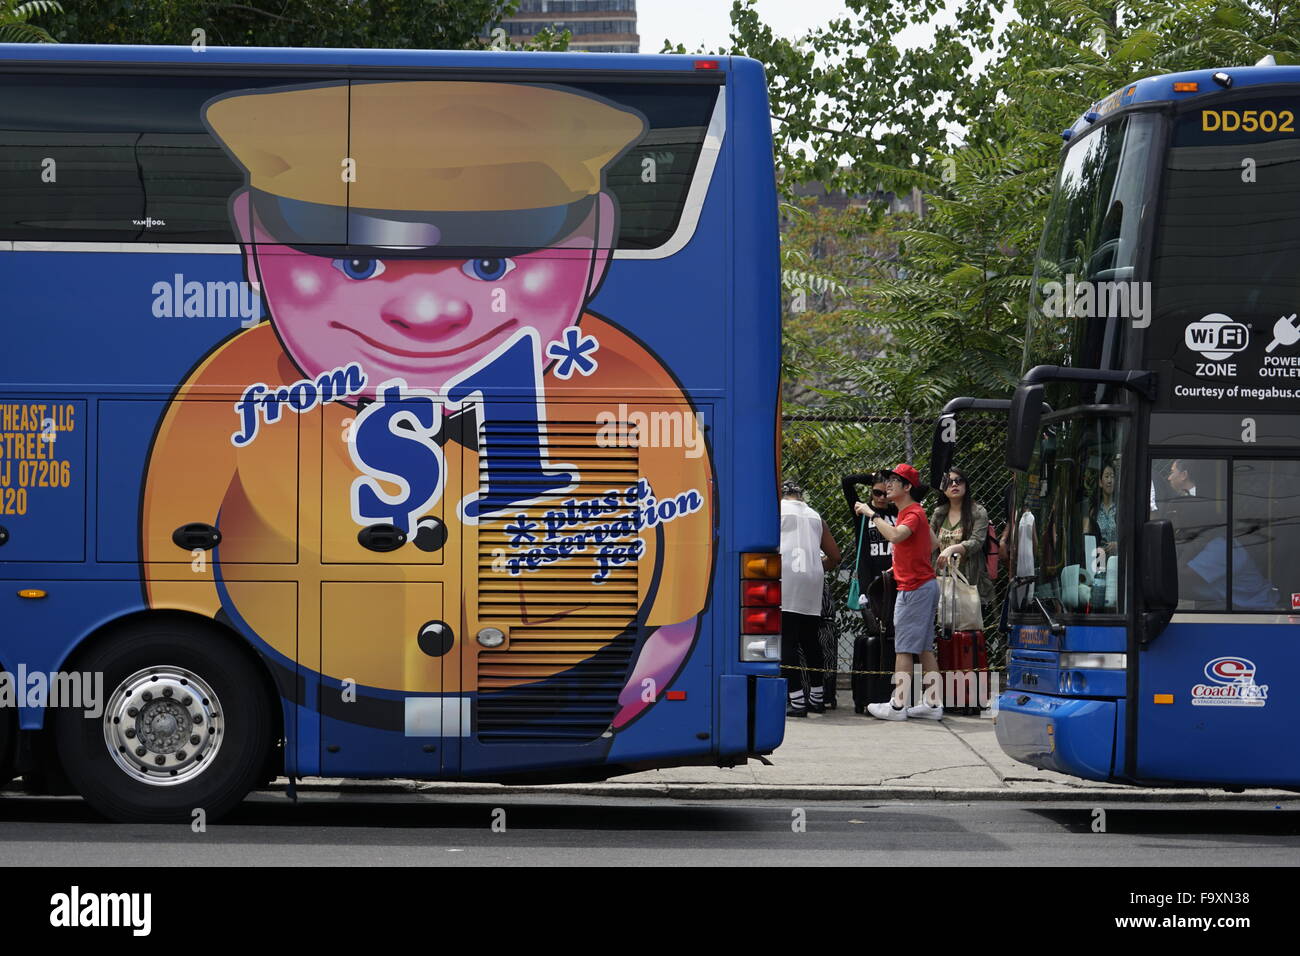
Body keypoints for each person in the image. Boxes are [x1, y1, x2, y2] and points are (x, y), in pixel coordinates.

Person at [140, 81, 714, 741]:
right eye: (355, 261)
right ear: (251, 236)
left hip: (555, 690)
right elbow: (175, 587)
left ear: (594, 241)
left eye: (491, 259)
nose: (426, 311)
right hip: (297, 695)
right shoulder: (235, 387)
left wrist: (657, 652)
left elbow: (679, 574)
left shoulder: (621, 387)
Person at [855, 464, 943, 721]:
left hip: (915, 589)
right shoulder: (913, 512)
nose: (889, 484)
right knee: (924, 648)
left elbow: (895, 536)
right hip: (922, 585)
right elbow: (934, 543)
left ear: (907, 488)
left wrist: (872, 514)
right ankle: (933, 703)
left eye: (896, 480)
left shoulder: (912, 514)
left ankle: (897, 706)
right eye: (889, 479)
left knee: (904, 648)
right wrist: (906, 562)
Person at [781, 481, 842, 717]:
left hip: (786, 575)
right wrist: (816, 567)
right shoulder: (815, 516)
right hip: (813, 579)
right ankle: (817, 698)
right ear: (801, 496)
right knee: (810, 639)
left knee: (786, 640)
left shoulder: (776, 511)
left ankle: (796, 701)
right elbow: (835, 556)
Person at [930, 466, 993, 612]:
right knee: (941, 629)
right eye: (949, 482)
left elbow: (977, 541)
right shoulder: (939, 513)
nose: (954, 485)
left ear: (966, 485)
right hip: (942, 579)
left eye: (959, 481)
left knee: (966, 629)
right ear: (943, 488)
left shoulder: (978, 512)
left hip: (969, 580)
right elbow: (929, 542)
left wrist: (951, 549)